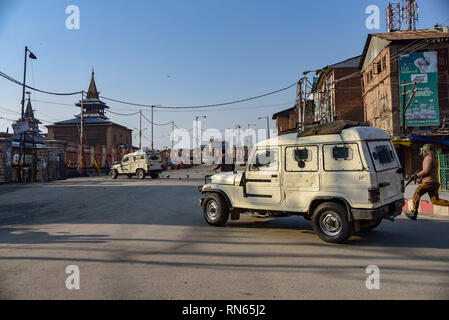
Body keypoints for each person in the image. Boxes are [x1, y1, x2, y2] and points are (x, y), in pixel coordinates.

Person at [406, 144, 449, 220]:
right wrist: (421, 179)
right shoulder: (433, 158)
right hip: (434, 182)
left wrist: (416, 175)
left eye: (423, 150)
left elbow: (426, 171)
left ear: (427, 151)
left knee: (417, 193)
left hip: (429, 183)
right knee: (435, 201)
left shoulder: (428, 158)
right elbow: (429, 172)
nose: (422, 152)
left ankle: (414, 213)